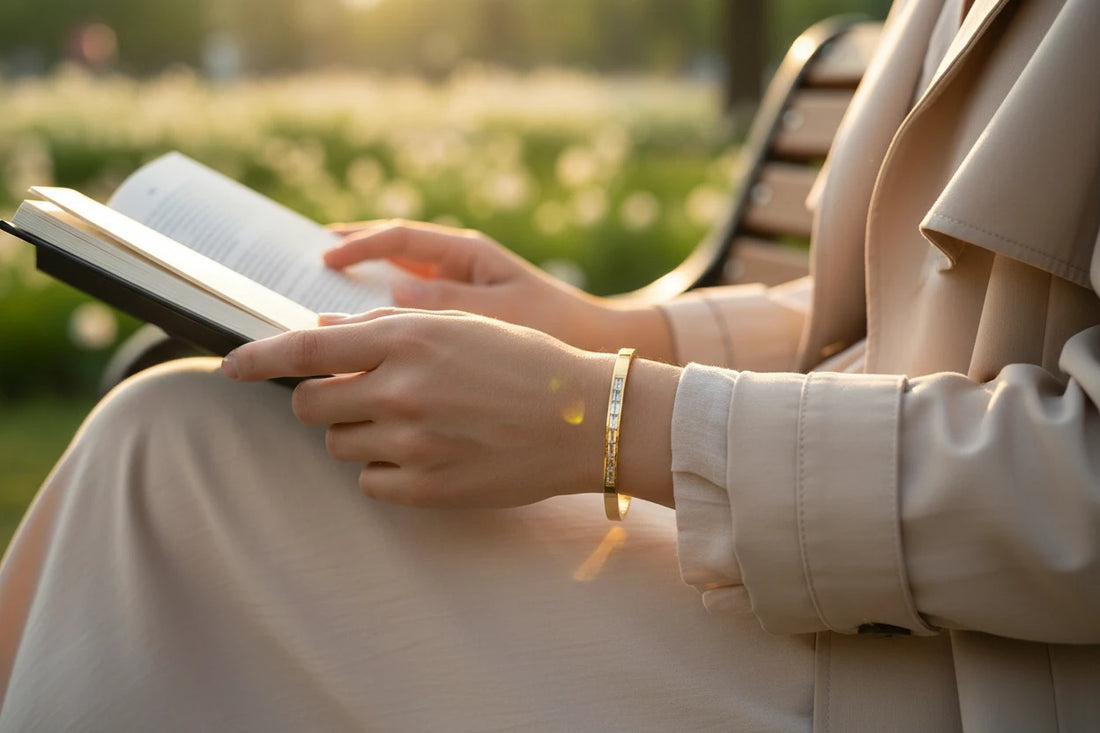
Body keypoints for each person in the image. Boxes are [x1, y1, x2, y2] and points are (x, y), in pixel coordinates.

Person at [0, 0, 1098, 729]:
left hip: (965, 668)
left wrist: (609, 418)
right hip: (833, 568)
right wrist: (609, 327)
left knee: (176, 469)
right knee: (177, 441)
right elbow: (882, 310)